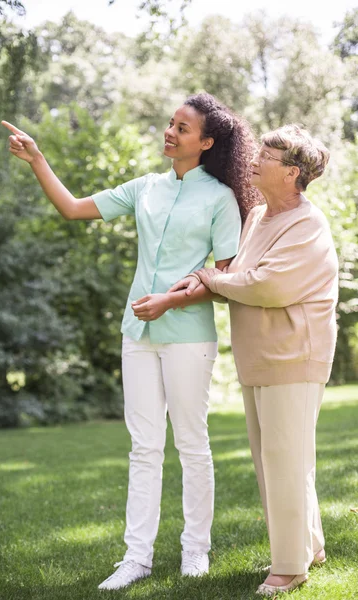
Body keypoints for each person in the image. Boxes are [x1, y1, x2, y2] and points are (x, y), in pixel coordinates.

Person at [2, 93, 260, 590]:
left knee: (191, 444)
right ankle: (136, 558)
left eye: (182, 129)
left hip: (187, 336)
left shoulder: (221, 199)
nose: (170, 132)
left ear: (205, 142)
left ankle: (195, 552)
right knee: (144, 447)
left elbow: (225, 278)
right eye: (170, 124)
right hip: (136, 333)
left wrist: (171, 301)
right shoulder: (146, 187)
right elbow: (75, 209)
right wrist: (38, 159)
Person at [170, 124, 338, 596]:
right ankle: (310, 545)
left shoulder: (308, 224)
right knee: (276, 460)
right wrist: (209, 283)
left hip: (294, 356)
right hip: (258, 356)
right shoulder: (258, 216)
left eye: (267, 154)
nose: (255, 158)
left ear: (292, 173)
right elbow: (242, 279)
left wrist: (211, 278)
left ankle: (289, 566)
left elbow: (268, 284)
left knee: (285, 459)